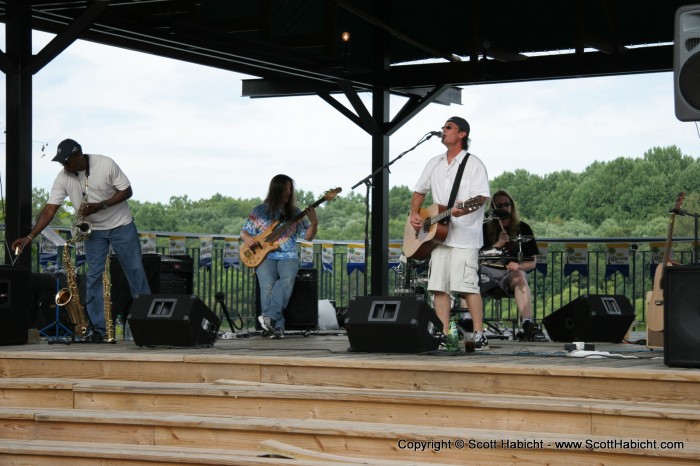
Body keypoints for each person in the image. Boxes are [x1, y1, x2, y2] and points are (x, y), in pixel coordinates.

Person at [12, 138, 151, 342]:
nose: (64, 166)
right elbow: (50, 208)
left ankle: (148, 324)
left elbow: (127, 191)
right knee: (94, 276)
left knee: (135, 271)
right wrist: (30, 236)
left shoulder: (105, 164)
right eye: (62, 163)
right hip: (93, 230)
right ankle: (98, 331)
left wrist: (101, 205)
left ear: (79, 157)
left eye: (67, 162)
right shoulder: (63, 177)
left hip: (121, 225)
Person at [409, 116, 491, 350]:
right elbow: (418, 191)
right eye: (443, 127)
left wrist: (462, 209)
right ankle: (443, 334)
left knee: (467, 286)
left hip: (465, 237)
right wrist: (414, 214)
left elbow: (481, 197)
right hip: (438, 237)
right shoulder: (434, 163)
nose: (442, 130)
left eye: (448, 127)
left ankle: (478, 334)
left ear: (462, 134)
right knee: (438, 286)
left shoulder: (474, 164)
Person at [240, 174, 318, 339]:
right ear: (276, 189)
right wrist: (247, 238)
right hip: (264, 256)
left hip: (288, 254)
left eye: (290, 188)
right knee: (267, 287)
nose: (288, 191)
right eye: (285, 188)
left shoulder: (295, 213)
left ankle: (269, 318)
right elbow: (244, 230)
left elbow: (308, 236)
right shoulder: (260, 211)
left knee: (286, 281)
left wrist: (314, 222)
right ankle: (277, 328)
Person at [481, 189, 545, 341]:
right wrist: (498, 244)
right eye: (499, 205)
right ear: (493, 208)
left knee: (519, 277)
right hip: (486, 272)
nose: (503, 208)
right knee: (468, 276)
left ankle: (527, 323)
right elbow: (476, 256)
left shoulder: (524, 228)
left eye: (506, 204)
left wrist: (519, 266)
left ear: (512, 206)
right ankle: (467, 319)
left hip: (509, 274)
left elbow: (532, 262)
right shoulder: (484, 228)